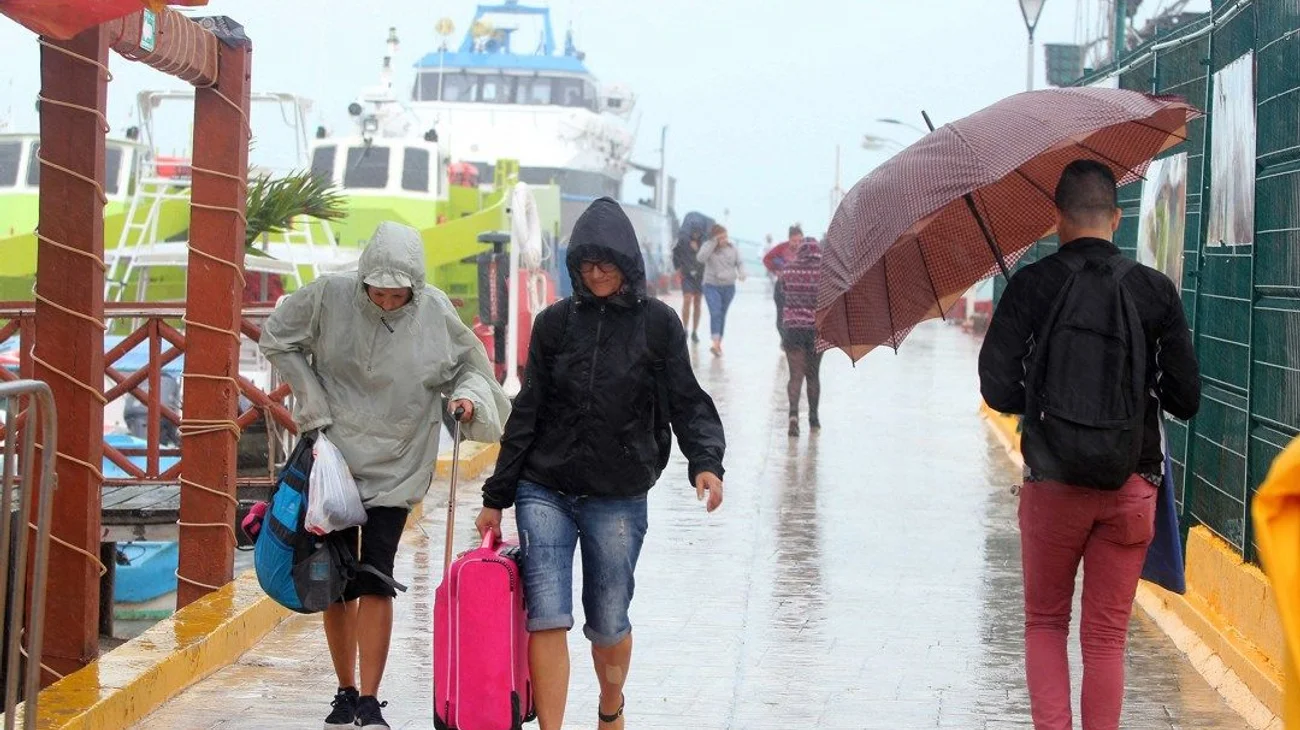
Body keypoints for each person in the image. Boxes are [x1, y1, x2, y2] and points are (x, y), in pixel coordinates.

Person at [475, 197, 726, 730]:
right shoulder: (554, 324)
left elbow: (686, 398)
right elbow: (529, 410)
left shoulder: (658, 324)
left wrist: (705, 460)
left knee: (609, 622)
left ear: (627, 264)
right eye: (586, 265)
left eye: (606, 263)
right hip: (545, 489)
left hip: (618, 494)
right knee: (547, 615)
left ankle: (610, 710)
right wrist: (496, 497)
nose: (596, 273)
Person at [260, 221, 510, 730]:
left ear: (414, 290)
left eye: (398, 296)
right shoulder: (329, 296)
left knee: (375, 574)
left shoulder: (435, 312)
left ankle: (370, 699)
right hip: (333, 460)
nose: (387, 302)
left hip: (397, 461)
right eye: (377, 292)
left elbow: (472, 369)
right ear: (362, 281)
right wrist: (311, 400)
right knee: (331, 578)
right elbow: (276, 336)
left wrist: (466, 400)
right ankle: (344, 689)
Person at [979, 160, 1201, 730]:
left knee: (1045, 624)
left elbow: (997, 386)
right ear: (1117, 218)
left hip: (1053, 485)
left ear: (1057, 220)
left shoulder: (1032, 283)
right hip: (1131, 485)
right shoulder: (1154, 290)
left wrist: (1046, 393)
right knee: (1105, 638)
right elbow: (1186, 397)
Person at [777, 234, 823, 437]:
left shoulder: (788, 269)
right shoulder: (825, 271)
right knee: (813, 375)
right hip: (816, 329)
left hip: (793, 329)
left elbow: (782, 294)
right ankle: (813, 418)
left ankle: (793, 416)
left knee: (795, 375)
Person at [697, 224, 746, 357]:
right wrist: (713, 242)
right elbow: (700, 258)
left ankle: (718, 344)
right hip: (711, 285)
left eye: (726, 236)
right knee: (715, 312)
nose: (725, 239)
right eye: (721, 237)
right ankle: (715, 343)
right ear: (715, 237)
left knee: (722, 314)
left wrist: (742, 273)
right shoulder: (709, 246)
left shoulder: (732, 248)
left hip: (729, 287)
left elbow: (740, 263)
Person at [764, 224, 805, 340]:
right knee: (781, 317)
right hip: (782, 287)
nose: (797, 244)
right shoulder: (782, 248)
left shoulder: (806, 249)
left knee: (797, 318)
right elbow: (766, 259)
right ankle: (785, 340)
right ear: (789, 239)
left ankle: (793, 342)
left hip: (800, 290)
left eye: (800, 240)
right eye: (794, 241)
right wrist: (775, 270)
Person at [672, 231, 706, 342]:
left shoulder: (705, 242)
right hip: (687, 275)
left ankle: (694, 332)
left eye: (698, 230)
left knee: (698, 302)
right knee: (687, 300)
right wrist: (677, 268)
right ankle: (685, 328)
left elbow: (709, 256)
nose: (696, 233)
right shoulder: (683, 241)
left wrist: (698, 250)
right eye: (694, 230)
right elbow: (675, 252)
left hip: (700, 276)